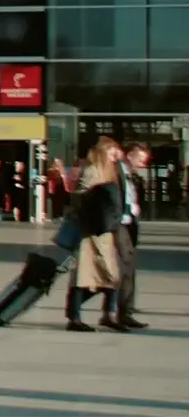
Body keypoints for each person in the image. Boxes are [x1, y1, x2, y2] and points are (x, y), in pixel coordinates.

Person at [64, 137, 125, 333]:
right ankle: (75, 315)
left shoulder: (110, 171)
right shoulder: (92, 171)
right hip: (91, 233)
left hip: (104, 232)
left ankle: (106, 314)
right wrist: (97, 199)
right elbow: (78, 197)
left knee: (111, 275)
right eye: (112, 152)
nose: (115, 156)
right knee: (88, 276)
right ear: (103, 152)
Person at [103, 142, 149, 329]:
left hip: (129, 224)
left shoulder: (131, 175)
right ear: (130, 155)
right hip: (120, 224)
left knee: (129, 267)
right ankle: (116, 311)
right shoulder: (116, 171)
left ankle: (125, 310)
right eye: (140, 159)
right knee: (122, 268)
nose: (142, 164)